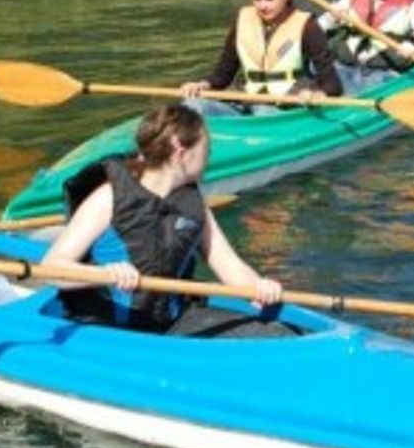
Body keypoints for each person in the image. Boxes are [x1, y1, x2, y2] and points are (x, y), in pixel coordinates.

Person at [42, 104, 286, 336]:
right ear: (180, 151)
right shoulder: (108, 197)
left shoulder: (195, 204)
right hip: (107, 327)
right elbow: (51, 268)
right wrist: (103, 273)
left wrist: (259, 286)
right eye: (206, 150)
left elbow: (231, 268)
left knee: (277, 333)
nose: (209, 157)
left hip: (169, 323)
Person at [178, 0, 342, 115]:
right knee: (192, 106)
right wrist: (202, 85)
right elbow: (223, 73)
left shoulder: (308, 26)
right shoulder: (243, 19)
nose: (263, 6)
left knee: (263, 112)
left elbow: (333, 85)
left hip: (285, 105)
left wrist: (317, 94)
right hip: (245, 100)